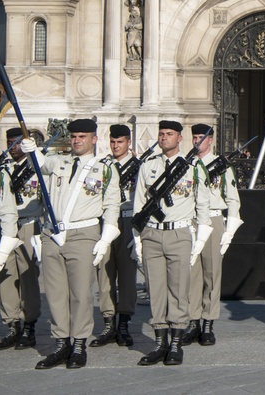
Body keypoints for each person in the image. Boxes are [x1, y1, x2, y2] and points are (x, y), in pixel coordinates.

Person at [30, 118, 121, 369]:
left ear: (94, 138)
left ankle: (79, 343)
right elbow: (39, 164)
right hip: (53, 234)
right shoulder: (59, 161)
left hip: (84, 233)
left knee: (81, 292)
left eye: (82, 136)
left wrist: (106, 237)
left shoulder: (105, 168)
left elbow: (112, 205)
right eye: (74, 136)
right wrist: (31, 149)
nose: (77, 140)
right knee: (55, 293)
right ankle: (61, 343)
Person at [132, 121, 211, 367]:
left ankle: (176, 341)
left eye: (170, 134)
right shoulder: (148, 165)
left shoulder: (194, 167)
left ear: (180, 138)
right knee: (155, 290)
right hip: (152, 234)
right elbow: (138, 203)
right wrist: (137, 238)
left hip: (179, 233)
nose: (164, 138)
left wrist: (200, 239)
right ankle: (160, 342)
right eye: (161, 134)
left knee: (178, 290)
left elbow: (203, 205)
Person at [181, 124, 242, 347]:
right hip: (191, 221)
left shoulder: (222, 167)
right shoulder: (187, 165)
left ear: (211, 141)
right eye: (195, 137)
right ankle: (193, 320)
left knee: (212, 273)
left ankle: (208, 322)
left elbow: (233, 199)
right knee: (192, 274)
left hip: (214, 219)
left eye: (201, 138)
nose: (197, 141)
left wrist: (229, 230)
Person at [91, 124, 141, 348]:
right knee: (105, 272)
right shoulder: (103, 166)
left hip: (129, 219)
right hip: (106, 220)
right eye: (112, 142)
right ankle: (108, 322)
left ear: (128, 143)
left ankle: (124, 323)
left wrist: (139, 232)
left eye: (120, 142)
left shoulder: (140, 166)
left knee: (127, 274)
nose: (115, 146)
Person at [0, 129, 42, 351]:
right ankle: (12, 325)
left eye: (16, 143)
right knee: (6, 278)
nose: (13, 147)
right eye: (9, 143)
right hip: (7, 228)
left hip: (28, 224)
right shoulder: (4, 169)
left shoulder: (37, 166)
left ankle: (30, 326)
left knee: (27, 277)